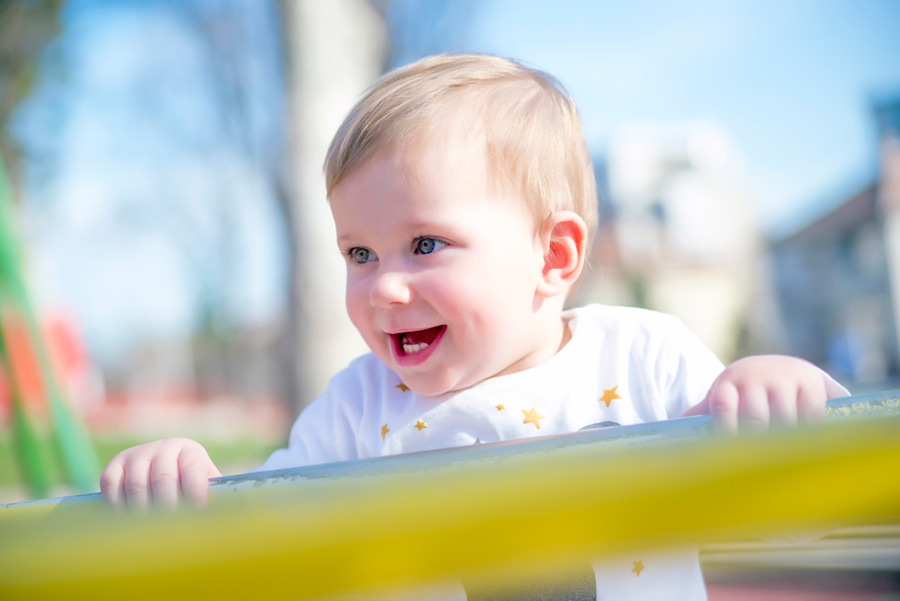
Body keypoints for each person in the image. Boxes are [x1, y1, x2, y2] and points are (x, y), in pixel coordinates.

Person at [100, 53, 847, 599]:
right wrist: (185, 482)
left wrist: (778, 390)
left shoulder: (641, 356)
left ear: (553, 256)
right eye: (358, 252)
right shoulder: (360, 405)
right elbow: (262, 532)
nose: (382, 285)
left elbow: (815, 481)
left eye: (425, 244)